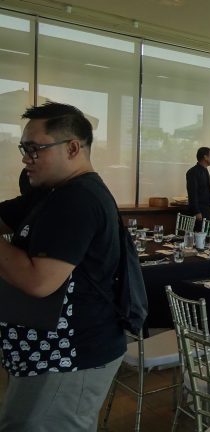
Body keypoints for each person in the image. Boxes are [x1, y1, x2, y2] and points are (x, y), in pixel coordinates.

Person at [0, 102, 124, 430]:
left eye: (34, 149)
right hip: (46, 353)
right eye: (24, 149)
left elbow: (39, 281)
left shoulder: (79, 199)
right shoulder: (51, 194)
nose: (26, 158)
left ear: (72, 148)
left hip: (70, 355)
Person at [186, 146, 210, 232]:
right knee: (198, 235)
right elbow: (192, 193)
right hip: (199, 210)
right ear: (205, 157)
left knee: (206, 235)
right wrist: (196, 211)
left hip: (206, 209)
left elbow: (208, 189)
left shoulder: (205, 170)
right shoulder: (193, 172)